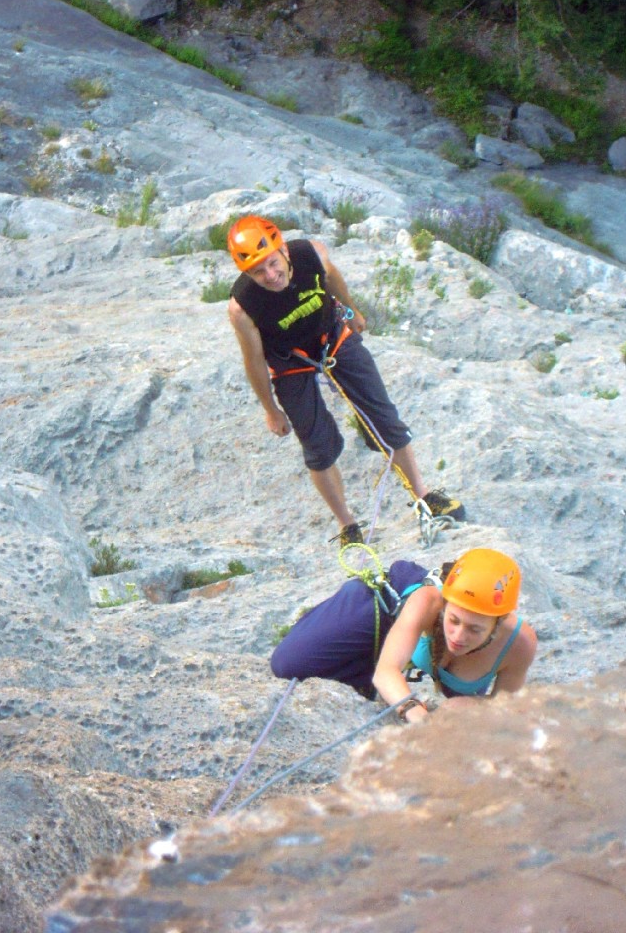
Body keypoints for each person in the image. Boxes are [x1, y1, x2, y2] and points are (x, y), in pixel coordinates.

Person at [227, 214, 464, 545]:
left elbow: (333, 277)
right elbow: (253, 359)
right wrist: (270, 409)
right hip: (290, 361)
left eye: (271, 263)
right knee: (318, 447)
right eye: (257, 272)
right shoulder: (243, 308)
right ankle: (348, 526)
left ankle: (423, 495)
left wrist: (352, 313)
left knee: (384, 418)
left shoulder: (312, 254)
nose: (270, 275)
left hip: (331, 336)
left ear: (283, 250)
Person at [270, 548, 538, 722]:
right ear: (444, 603)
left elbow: (503, 713)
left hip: (415, 636)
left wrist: (469, 709)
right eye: (453, 620)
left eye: (475, 629)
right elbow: (386, 672)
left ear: (498, 623)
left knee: (462, 709)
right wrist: (417, 715)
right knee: (289, 663)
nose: (458, 635)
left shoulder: (519, 644)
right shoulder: (428, 601)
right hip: (389, 608)